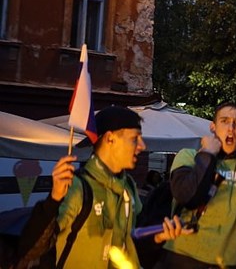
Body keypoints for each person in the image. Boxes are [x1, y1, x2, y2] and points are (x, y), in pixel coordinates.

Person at [15, 106, 188, 269]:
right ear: (110, 138)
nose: (142, 146)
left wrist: (157, 237)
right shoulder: (78, 186)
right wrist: (54, 199)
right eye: (135, 138)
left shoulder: (128, 188)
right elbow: (32, 249)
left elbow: (126, 244)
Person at [157, 100, 236, 268]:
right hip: (184, 258)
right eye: (224, 121)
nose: (231, 128)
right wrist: (208, 154)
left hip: (231, 262)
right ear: (213, 127)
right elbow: (187, 196)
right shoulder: (188, 156)